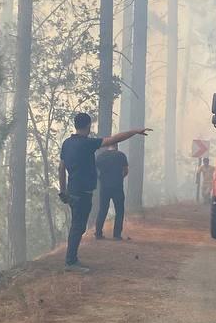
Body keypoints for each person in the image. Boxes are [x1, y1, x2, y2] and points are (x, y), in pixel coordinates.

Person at [58, 113, 149, 270]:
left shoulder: (67, 143)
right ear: (88, 126)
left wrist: (63, 190)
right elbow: (114, 139)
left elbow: (61, 167)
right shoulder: (87, 143)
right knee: (78, 226)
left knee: (78, 225)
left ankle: (72, 258)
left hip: (72, 190)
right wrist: (134, 131)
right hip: (83, 192)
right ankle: (70, 261)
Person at [94, 144, 129, 240]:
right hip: (117, 186)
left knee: (103, 209)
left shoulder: (101, 157)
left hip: (105, 187)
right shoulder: (121, 155)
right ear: (117, 146)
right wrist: (120, 177)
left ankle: (98, 233)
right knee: (119, 210)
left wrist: (101, 178)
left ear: (107, 147)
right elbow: (126, 170)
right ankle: (117, 235)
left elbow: (95, 171)